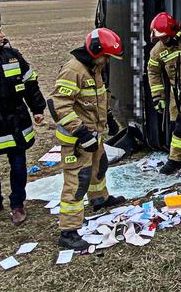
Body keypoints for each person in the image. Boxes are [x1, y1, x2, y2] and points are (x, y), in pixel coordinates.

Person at [49, 27, 126, 249]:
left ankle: (99, 199)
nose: (107, 61)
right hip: (76, 139)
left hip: (94, 133)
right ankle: (68, 231)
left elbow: (97, 98)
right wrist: (81, 133)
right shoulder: (74, 70)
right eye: (106, 57)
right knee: (78, 181)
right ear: (95, 50)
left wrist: (108, 118)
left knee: (98, 168)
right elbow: (59, 105)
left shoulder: (94, 68)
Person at [0, 15, 45, 225]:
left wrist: (37, 108)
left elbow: (30, 82)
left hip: (16, 124)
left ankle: (17, 204)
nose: (3, 35)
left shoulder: (12, 56)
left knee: (18, 166)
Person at [147, 12, 181, 175]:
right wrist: (158, 97)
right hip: (178, 96)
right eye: (161, 38)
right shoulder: (157, 51)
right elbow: (153, 72)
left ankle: (175, 161)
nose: (163, 40)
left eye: (166, 37)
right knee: (179, 127)